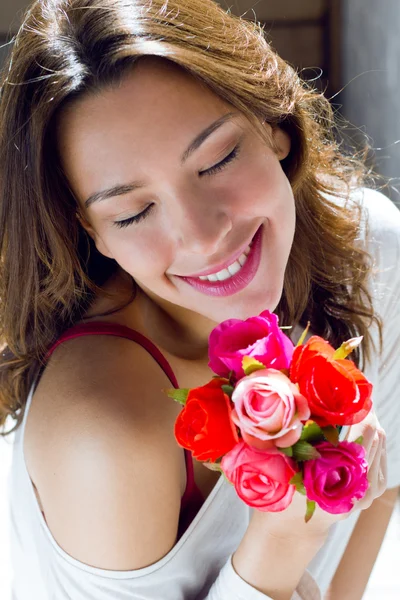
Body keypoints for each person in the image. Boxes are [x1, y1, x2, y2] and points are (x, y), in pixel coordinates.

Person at [0, 0, 399, 598]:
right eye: (134, 212)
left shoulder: (373, 255)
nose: (202, 235)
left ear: (271, 120)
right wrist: (277, 549)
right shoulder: (104, 433)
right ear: (92, 231)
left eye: (217, 159)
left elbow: (379, 494)